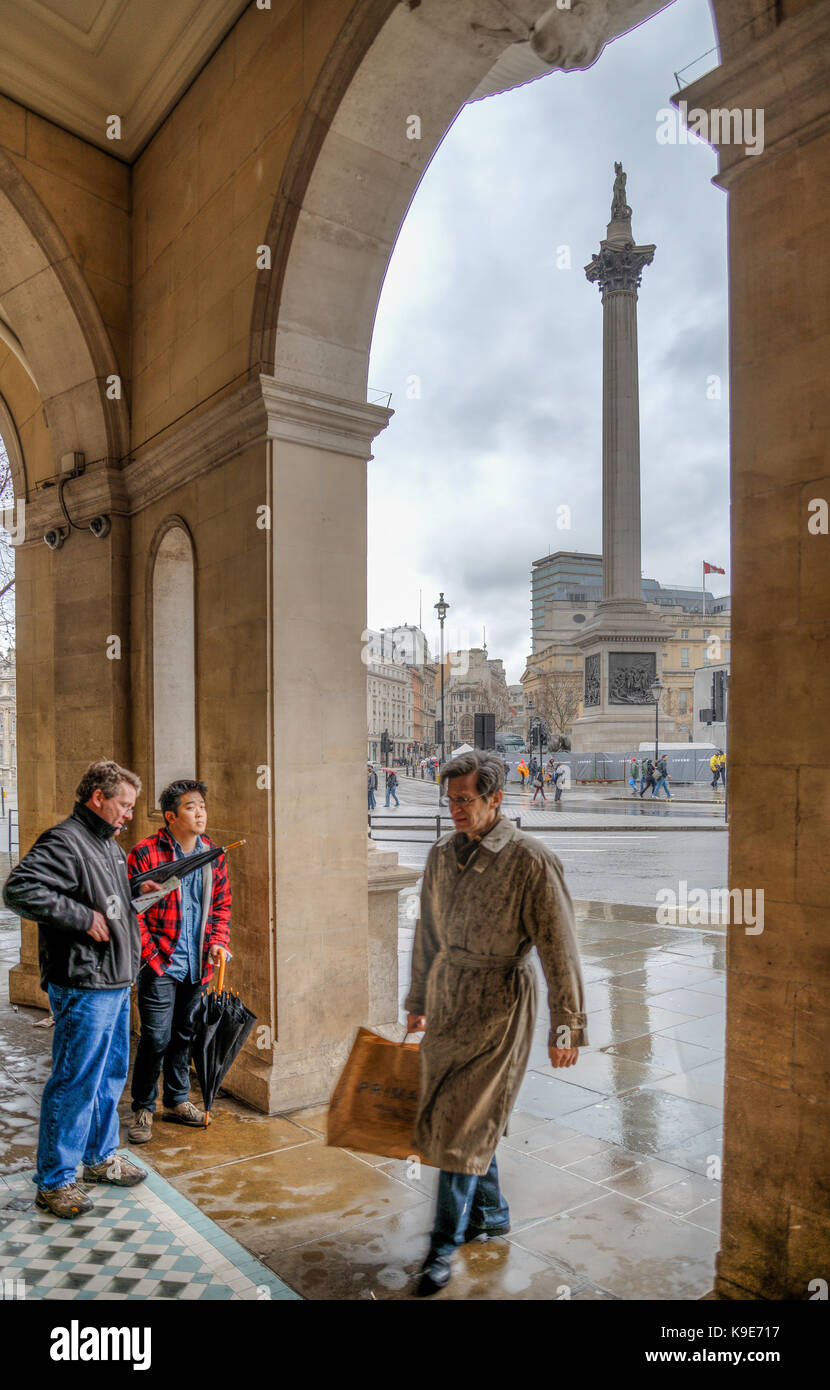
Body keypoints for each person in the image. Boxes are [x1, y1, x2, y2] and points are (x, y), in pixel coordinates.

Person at [405, 750, 587, 1296]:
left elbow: (561, 949)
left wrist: (567, 1025)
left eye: (466, 800)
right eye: (451, 799)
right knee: (459, 1114)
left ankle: (441, 1246)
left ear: (495, 799)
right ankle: (493, 1212)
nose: (456, 809)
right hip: (448, 994)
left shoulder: (531, 861)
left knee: (460, 1126)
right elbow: (427, 934)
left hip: (502, 1003)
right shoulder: (440, 854)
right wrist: (418, 997)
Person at [3, 759, 154, 1218]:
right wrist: (83, 918)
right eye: (124, 805)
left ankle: (99, 1158)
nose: (129, 814)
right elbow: (20, 889)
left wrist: (136, 892)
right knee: (75, 1082)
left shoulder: (106, 844)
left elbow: (103, 897)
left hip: (113, 978)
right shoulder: (65, 839)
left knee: (108, 1077)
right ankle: (55, 1181)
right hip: (85, 980)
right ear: (98, 798)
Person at [126, 779, 232, 1144]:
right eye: (190, 807)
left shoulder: (213, 854)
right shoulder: (145, 853)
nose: (200, 812)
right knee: (155, 1037)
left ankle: (177, 1099)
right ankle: (143, 1105)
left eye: (202, 805)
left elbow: (221, 907)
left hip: (197, 964)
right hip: (159, 964)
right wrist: (151, 957)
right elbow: (131, 911)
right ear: (170, 816)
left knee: (185, 1034)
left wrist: (218, 943)